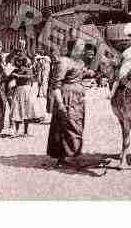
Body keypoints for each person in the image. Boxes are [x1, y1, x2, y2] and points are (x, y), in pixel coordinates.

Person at [46, 38, 96, 168]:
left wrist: (92, 73)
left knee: (76, 125)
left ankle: (71, 155)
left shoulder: (79, 62)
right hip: (66, 97)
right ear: (72, 48)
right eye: (79, 46)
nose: (82, 48)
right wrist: (60, 104)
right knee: (65, 126)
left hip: (78, 99)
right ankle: (62, 158)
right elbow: (55, 85)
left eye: (83, 46)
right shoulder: (63, 62)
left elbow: (82, 74)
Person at [9, 56, 37, 136]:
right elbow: (9, 77)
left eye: (19, 62)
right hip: (18, 90)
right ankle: (17, 131)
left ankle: (25, 131)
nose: (18, 63)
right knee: (17, 109)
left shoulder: (27, 70)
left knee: (26, 109)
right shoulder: (15, 70)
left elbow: (29, 77)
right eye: (17, 62)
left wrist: (18, 76)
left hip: (26, 90)